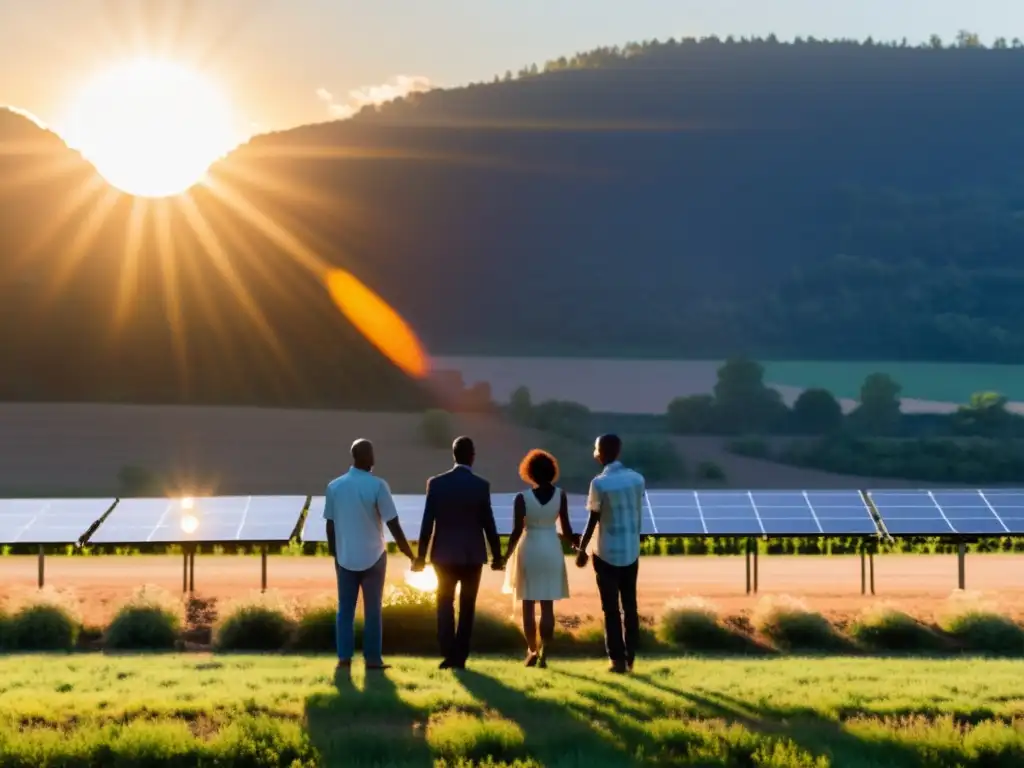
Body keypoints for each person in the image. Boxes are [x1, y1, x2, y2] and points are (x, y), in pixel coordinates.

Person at [323, 438, 416, 671]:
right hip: (374, 556)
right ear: (366, 456)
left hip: (345, 557)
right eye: (372, 453)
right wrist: (409, 553)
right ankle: (373, 659)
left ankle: (344, 658)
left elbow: (330, 526)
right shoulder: (378, 486)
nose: (375, 457)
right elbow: (392, 523)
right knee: (373, 609)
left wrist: (335, 553)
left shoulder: (334, 486)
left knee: (345, 609)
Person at [413, 435, 503, 669]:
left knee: (444, 602)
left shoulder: (436, 483)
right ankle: (460, 655)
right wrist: (497, 555)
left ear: (453, 455)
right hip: (472, 554)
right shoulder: (481, 485)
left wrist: (421, 557)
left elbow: (427, 522)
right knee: (467, 605)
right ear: (472, 456)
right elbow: (488, 523)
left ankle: (447, 651)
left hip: (443, 554)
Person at [574, 434, 645, 674]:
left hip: (605, 553)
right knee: (630, 605)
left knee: (611, 609)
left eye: (596, 449)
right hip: (631, 550)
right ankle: (631, 656)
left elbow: (593, 518)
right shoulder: (637, 479)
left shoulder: (599, 484)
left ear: (601, 453)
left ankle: (616, 661)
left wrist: (581, 549)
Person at [503, 449, 574, 668]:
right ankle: (545, 653)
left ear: (529, 472)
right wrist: (578, 547)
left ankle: (532, 651)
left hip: (530, 547)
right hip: (551, 548)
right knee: (547, 606)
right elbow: (567, 529)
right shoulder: (560, 495)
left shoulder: (522, 498)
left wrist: (504, 556)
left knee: (527, 605)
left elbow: (516, 531)